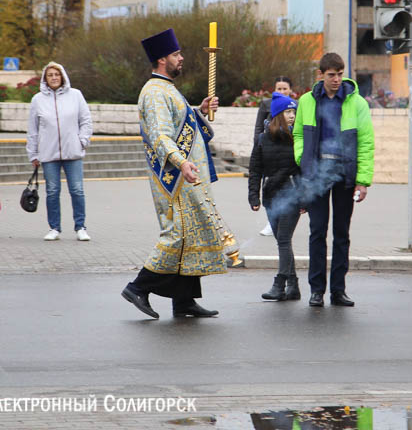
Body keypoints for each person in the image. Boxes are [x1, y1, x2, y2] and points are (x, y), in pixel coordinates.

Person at [121, 28, 225, 320]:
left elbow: (178, 122)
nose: (182, 58)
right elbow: (160, 136)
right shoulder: (154, 92)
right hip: (175, 178)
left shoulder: (166, 88)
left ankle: (184, 300)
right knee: (177, 234)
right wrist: (181, 163)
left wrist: (198, 110)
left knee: (191, 235)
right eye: (177, 54)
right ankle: (137, 287)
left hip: (187, 175)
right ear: (163, 58)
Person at [293, 52, 374, 307]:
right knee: (317, 232)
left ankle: (338, 290)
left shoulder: (357, 102)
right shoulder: (307, 101)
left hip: (344, 176)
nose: (337, 79)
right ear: (320, 75)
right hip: (316, 175)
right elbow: (297, 135)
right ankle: (317, 290)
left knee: (341, 233)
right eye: (331, 75)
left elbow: (366, 143)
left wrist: (362, 181)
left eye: (340, 74)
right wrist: (303, 160)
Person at [26, 62, 93, 241]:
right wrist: (33, 153)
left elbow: (86, 120)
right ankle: (54, 228)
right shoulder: (37, 100)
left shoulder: (76, 95)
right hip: (48, 154)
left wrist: (83, 141)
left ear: (62, 76)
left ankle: (81, 227)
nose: (54, 77)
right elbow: (32, 130)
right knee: (52, 191)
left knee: (77, 190)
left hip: (73, 152)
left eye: (57, 74)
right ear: (45, 79)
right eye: (50, 75)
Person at [249, 93, 302, 301]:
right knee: (282, 241)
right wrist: (254, 196)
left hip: (291, 194)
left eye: (294, 112)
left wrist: (305, 198)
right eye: (288, 111)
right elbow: (255, 169)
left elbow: (304, 171)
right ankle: (294, 286)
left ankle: (279, 284)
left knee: (283, 239)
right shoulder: (263, 138)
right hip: (270, 196)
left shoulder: (297, 138)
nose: (292, 115)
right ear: (278, 114)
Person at [253, 76, 294, 237]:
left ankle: (283, 220)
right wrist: (259, 146)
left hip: (287, 152)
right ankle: (271, 221)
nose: (282, 91)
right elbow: (258, 127)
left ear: (290, 90)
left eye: (285, 88)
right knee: (269, 186)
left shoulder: (293, 107)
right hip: (269, 152)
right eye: (279, 88)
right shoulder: (266, 105)